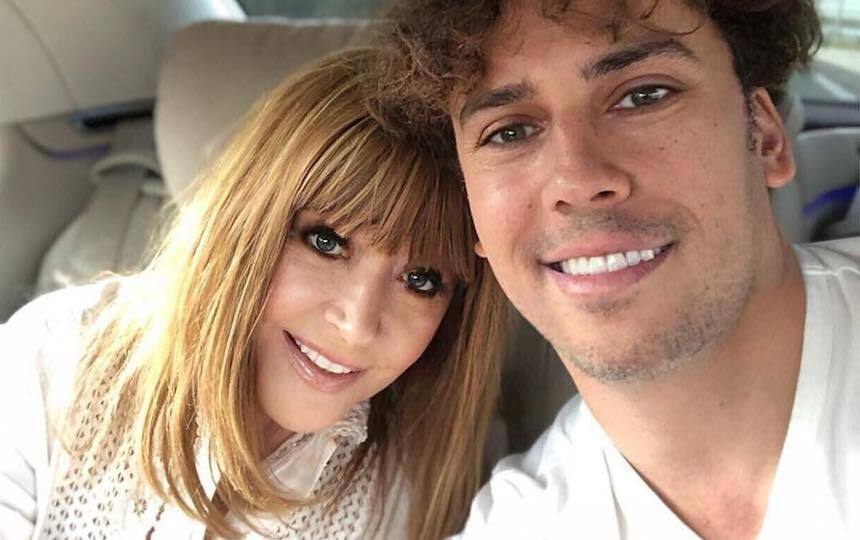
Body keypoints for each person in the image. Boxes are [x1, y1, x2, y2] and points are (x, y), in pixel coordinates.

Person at [377, 0, 860, 538]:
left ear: (766, 137)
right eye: (508, 132)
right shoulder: (520, 523)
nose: (578, 179)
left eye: (643, 95)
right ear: (474, 217)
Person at [0, 48, 506, 540]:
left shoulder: (417, 492)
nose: (356, 324)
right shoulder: (52, 366)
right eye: (326, 242)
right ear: (249, 221)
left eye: (421, 281)